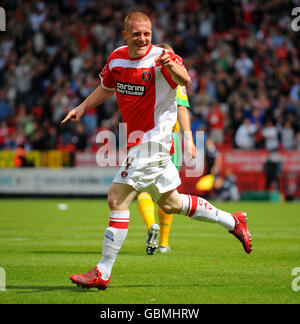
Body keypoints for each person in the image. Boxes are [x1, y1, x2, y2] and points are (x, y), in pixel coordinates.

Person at [61, 12, 252, 291]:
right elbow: (106, 88)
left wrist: (171, 66)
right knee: (171, 203)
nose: (142, 39)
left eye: (147, 34)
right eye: (136, 34)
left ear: (152, 33)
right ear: (125, 33)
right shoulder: (116, 58)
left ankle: (102, 271)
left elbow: (185, 81)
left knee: (116, 199)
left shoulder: (163, 58)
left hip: (154, 142)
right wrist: (81, 107)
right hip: (137, 141)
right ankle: (233, 221)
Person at [137, 43, 196, 255]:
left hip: (146, 136)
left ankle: (151, 224)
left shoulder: (146, 75)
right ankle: (163, 243)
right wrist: (188, 138)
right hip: (171, 138)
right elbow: (181, 107)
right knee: (168, 191)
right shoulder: (175, 77)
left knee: (142, 187)